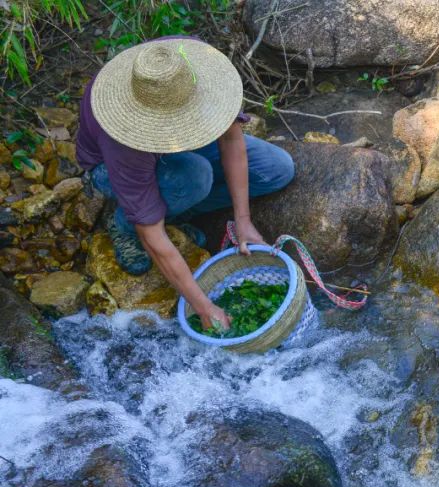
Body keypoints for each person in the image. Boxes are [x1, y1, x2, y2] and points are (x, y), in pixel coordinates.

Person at [76, 37, 295, 332]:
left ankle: (175, 211)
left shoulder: (187, 68)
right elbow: (150, 233)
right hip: (109, 167)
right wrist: (203, 306)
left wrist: (243, 221)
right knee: (195, 176)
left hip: (178, 147)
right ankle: (121, 223)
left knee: (276, 169)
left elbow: (231, 137)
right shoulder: (124, 136)